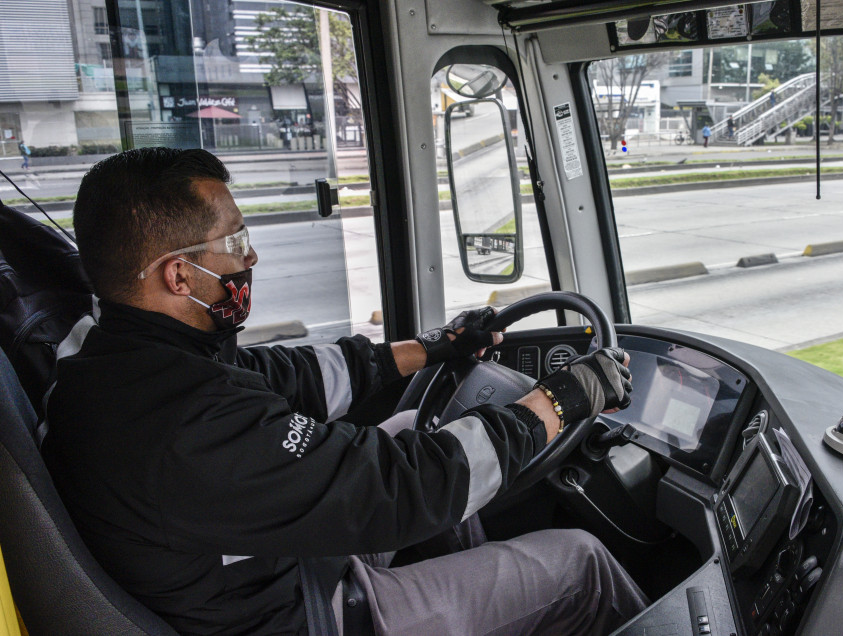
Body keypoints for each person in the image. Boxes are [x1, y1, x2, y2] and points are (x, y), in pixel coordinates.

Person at [41, 148, 647, 635]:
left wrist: (437, 347)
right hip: (302, 612)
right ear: (178, 274)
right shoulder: (180, 428)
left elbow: (293, 375)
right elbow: (403, 485)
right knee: (580, 563)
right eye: (233, 242)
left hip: (259, 562)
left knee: (412, 430)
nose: (250, 254)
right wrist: (564, 398)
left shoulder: (128, 365)